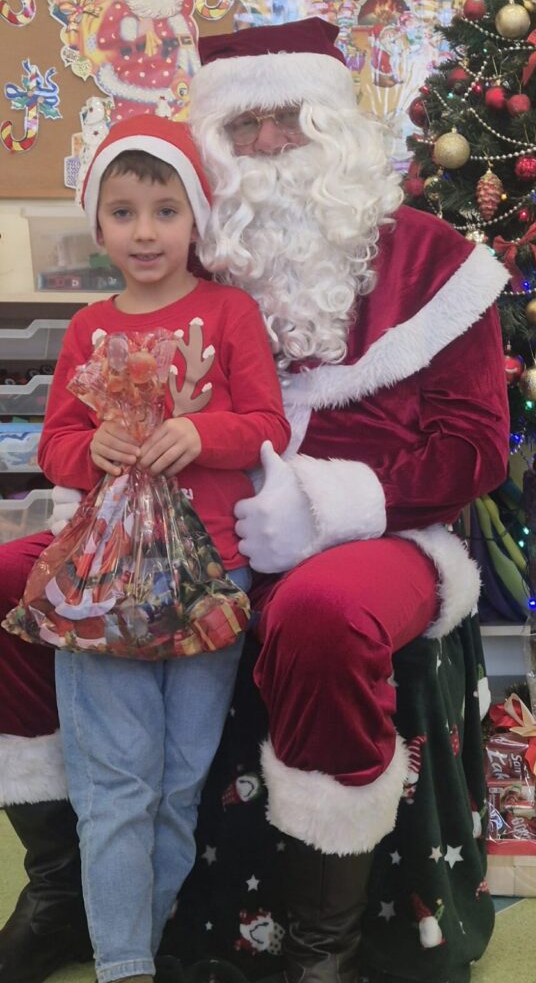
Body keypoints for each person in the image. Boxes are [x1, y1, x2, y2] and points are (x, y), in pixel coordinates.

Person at [0, 18, 509, 983]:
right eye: (245, 125)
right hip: (180, 526)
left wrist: (328, 503)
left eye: (293, 117)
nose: (270, 142)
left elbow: (477, 448)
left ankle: (324, 946)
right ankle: (66, 889)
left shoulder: (430, 259)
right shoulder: (195, 253)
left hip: (380, 531)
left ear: (337, 126)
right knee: (11, 579)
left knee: (321, 612)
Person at [1, 113, 290, 983]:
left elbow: (268, 424)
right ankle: (125, 964)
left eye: (166, 211)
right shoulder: (88, 327)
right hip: (104, 586)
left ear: (196, 217)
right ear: (98, 225)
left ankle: (139, 944)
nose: (146, 232)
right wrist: (87, 449)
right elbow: (56, 442)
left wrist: (202, 433)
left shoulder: (230, 313)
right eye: (123, 212)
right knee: (116, 782)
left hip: (209, 580)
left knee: (178, 780)